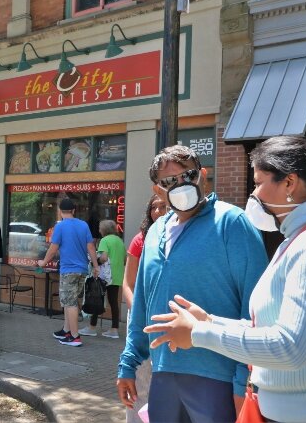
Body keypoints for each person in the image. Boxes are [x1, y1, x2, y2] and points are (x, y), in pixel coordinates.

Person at [143, 136, 306, 423]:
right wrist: (210, 323)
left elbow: (290, 346)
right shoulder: (301, 238)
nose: (254, 195)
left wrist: (200, 333)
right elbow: (268, 327)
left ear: (289, 183)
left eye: (258, 183)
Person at [117, 145, 268, 422]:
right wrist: (128, 364)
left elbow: (256, 308)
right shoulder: (154, 234)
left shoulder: (232, 223)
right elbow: (142, 304)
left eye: (188, 176)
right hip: (163, 374)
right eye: (169, 182)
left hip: (218, 377)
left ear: (203, 176)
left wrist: (242, 381)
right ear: (158, 191)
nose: (180, 185)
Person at [122, 194, 168, 423]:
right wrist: (139, 312)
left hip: (168, 319)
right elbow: (128, 284)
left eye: (164, 206)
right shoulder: (140, 240)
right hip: (142, 320)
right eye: (154, 207)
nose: (158, 211)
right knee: (140, 376)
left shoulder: (179, 238)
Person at [37, 198, 100, 347]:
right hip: (83, 270)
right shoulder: (83, 225)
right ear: (73, 210)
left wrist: (43, 262)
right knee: (70, 301)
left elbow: (53, 248)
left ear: (60, 211)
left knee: (70, 303)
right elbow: (91, 247)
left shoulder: (60, 227)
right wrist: (96, 266)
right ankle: (66, 330)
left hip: (68, 270)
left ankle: (74, 336)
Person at [80, 219, 125, 338]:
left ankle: (92, 327)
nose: (99, 230)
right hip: (117, 275)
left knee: (97, 298)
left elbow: (104, 257)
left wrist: (96, 262)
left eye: (100, 228)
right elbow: (125, 259)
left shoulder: (105, 240)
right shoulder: (120, 241)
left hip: (105, 276)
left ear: (104, 230)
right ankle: (114, 329)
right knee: (114, 302)